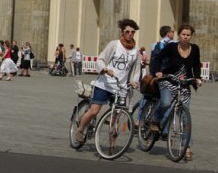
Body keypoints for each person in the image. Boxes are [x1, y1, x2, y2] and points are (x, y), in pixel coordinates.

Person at [74, 18, 142, 147]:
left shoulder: (135, 51)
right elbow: (101, 59)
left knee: (116, 116)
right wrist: (105, 69)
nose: (130, 34)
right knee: (94, 111)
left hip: (121, 88)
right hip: (105, 84)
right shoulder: (114, 44)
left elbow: (137, 69)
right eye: (127, 31)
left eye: (133, 32)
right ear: (122, 32)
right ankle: (80, 130)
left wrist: (134, 81)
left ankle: (111, 145)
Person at [150, 23, 202, 162]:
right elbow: (158, 58)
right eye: (183, 34)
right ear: (179, 35)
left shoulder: (195, 49)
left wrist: (197, 78)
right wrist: (158, 71)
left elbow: (197, 64)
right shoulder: (171, 47)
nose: (186, 37)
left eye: (188, 35)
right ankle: (155, 120)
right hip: (168, 80)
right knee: (166, 103)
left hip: (184, 84)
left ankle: (187, 147)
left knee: (185, 118)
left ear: (191, 36)